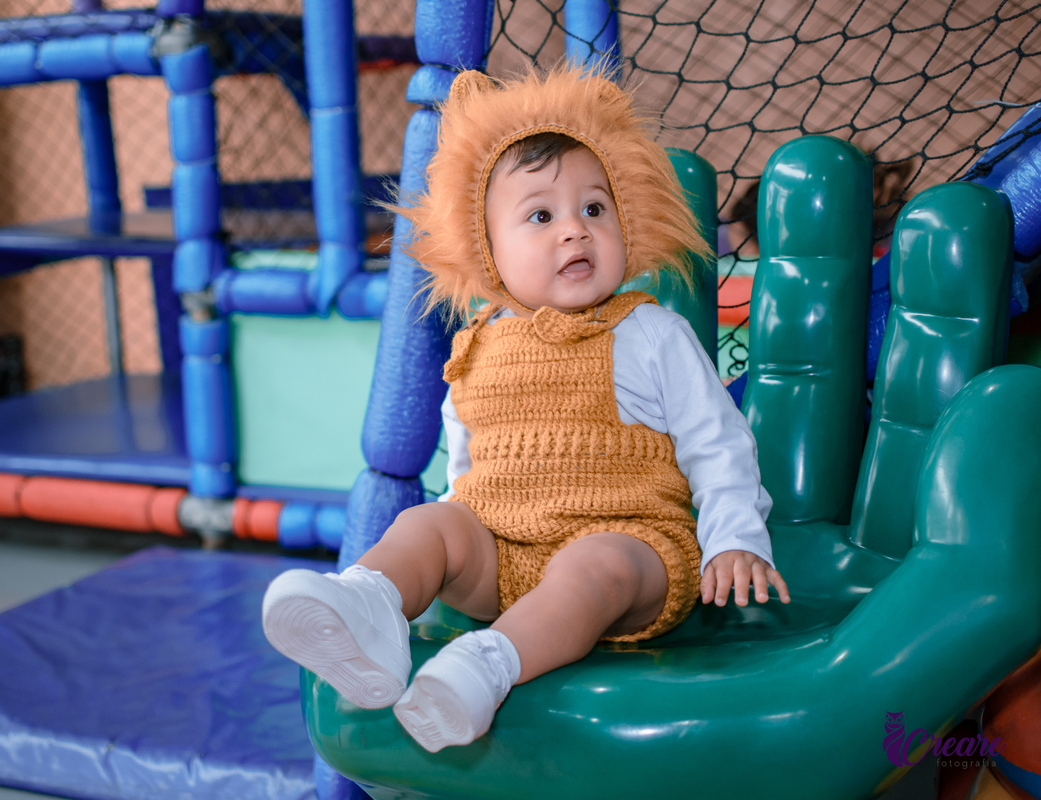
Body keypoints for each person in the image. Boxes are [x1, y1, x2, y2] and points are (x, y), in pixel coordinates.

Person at [262, 65, 789, 754]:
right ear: (488, 251)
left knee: (593, 565)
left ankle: (488, 666)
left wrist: (734, 538)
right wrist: (455, 537)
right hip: (504, 558)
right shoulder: (475, 347)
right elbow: (466, 468)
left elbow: (716, 444)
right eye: (541, 216)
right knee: (431, 519)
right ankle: (371, 603)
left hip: (633, 555)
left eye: (594, 209)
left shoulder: (648, 332)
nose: (575, 232)